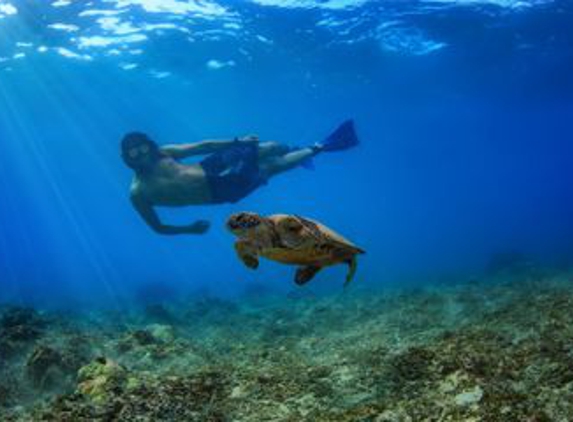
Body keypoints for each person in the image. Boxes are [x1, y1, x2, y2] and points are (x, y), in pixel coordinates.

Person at [122, 120, 359, 235]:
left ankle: (292, 149)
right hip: (219, 192)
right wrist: (190, 229)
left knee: (268, 147)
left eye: (142, 147)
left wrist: (238, 141)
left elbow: (202, 146)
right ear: (127, 158)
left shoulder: (164, 152)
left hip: (209, 166)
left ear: (149, 145)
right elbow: (158, 228)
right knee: (271, 168)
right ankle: (318, 147)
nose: (141, 154)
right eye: (134, 152)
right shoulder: (138, 193)